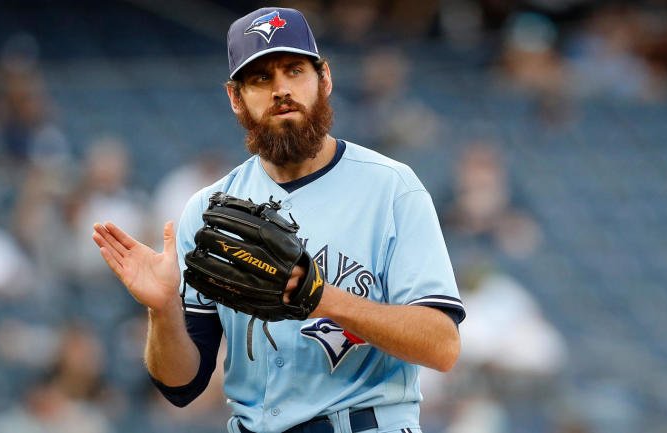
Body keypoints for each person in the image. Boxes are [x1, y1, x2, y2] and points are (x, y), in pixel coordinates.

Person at [92, 7, 464, 433]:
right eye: (261, 78)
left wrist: (322, 297)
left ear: (324, 79)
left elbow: (442, 346)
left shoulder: (393, 188)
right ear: (236, 97)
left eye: (293, 70)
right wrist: (162, 312)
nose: (281, 89)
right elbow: (183, 386)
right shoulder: (208, 210)